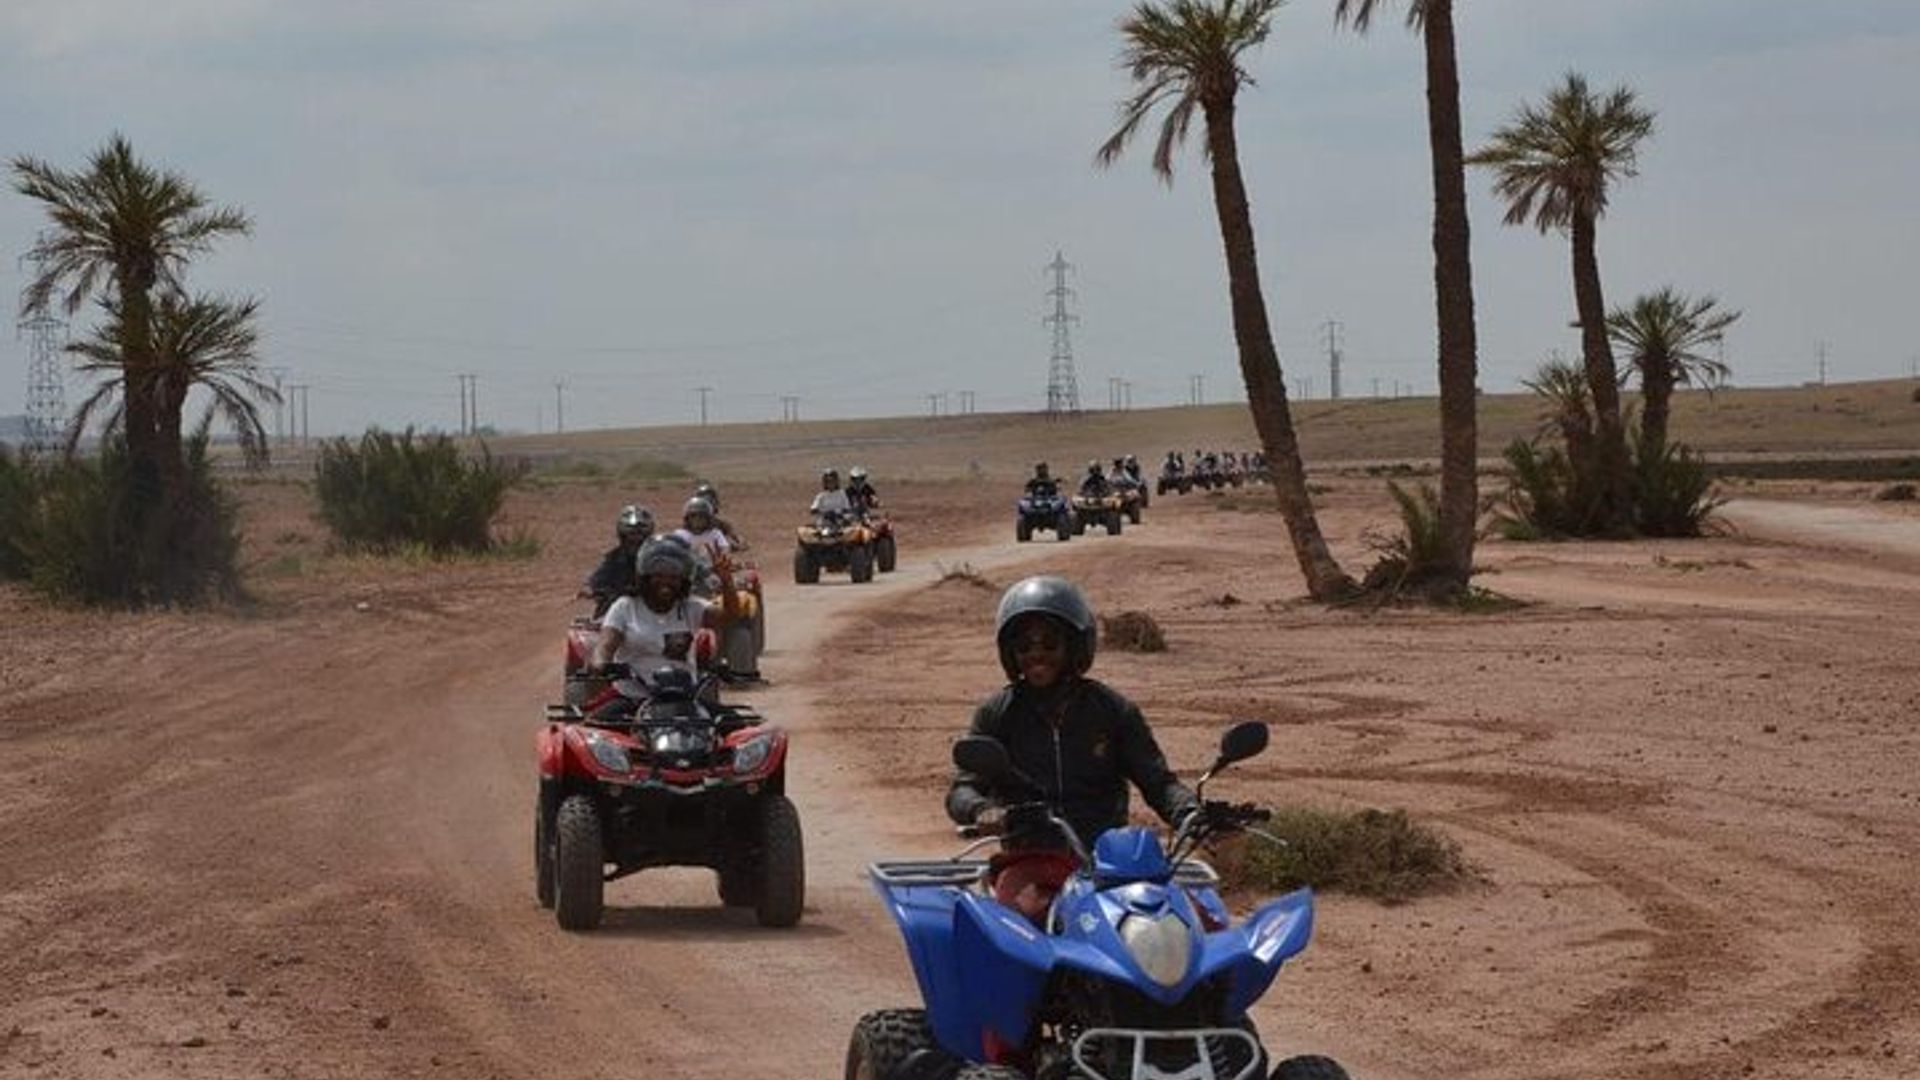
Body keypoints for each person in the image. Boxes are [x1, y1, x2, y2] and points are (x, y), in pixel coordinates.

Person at [946, 576, 1197, 854]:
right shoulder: (998, 714)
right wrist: (981, 809)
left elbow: (1158, 783)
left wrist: (1189, 812)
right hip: (1030, 861)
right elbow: (962, 790)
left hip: (1106, 860)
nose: (1036, 654)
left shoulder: (1112, 710)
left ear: (1074, 646)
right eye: (1024, 646)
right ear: (1010, 653)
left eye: (1050, 644)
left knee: (1156, 897)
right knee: (1027, 899)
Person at [589, 536, 740, 711]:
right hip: (633, 698)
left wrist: (727, 582)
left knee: (739, 729)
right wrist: (600, 663)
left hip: (685, 699)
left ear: (684, 580)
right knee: (594, 731)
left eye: (674, 576)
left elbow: (730, 615)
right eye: (659, 575)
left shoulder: (691, 607)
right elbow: (606, 644)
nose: (666, 582)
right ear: (645, 576)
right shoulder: (625, 607)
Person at [577, 505, 652, 617]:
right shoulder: (613, 558)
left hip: (653, 608)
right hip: (616, 609)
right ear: (622, 537)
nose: (635, 540)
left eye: (640, 537)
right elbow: (596, 578)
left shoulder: (657, 557)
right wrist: (590, 589)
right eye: (630, 536)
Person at [692, 481, 749, 549]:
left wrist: (736, 545)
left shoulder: (721, 523)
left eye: (710, 500)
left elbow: (740, 540)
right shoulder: (692, 525)